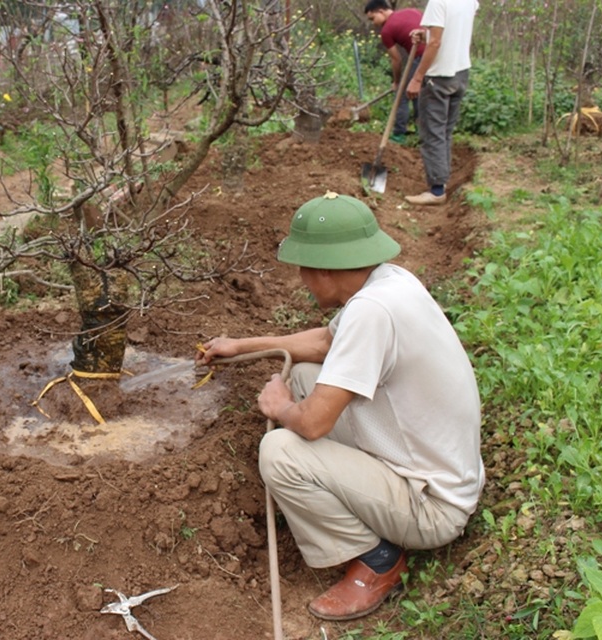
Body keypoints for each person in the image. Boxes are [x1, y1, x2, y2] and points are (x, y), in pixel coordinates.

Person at [196, 192, 484, 620]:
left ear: (325, 270)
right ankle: (346, 492)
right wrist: (240, 346)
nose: (301, 280)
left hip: (432, 507)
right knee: (305, 376)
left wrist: (280, 407)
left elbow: (312, 424)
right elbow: (326, 343)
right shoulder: (390, 282)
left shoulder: (370, 312)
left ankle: (378, 559)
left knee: (280, 453)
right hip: (438, 469)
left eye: (303, 269)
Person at [404, 0, 479, 206]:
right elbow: (455, 29)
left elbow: (436, 43)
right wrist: (425, 35)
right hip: (460, 73)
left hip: (438, 77)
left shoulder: (438, 2)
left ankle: (436, 190)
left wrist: (417, 78)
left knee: (432, 133)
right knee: (444, 132)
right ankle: (442, 181)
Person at [364, 0, 425, 144]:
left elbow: (396, 60)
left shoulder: (386, 31)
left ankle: (398, 135)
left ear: (381, 11)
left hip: (420, 57)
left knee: (402, 95)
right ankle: (421, 132)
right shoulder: (412, 11)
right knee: (417, 93)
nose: (373, 23)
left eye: (373, 18)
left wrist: (397, 82)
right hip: (436, 55)